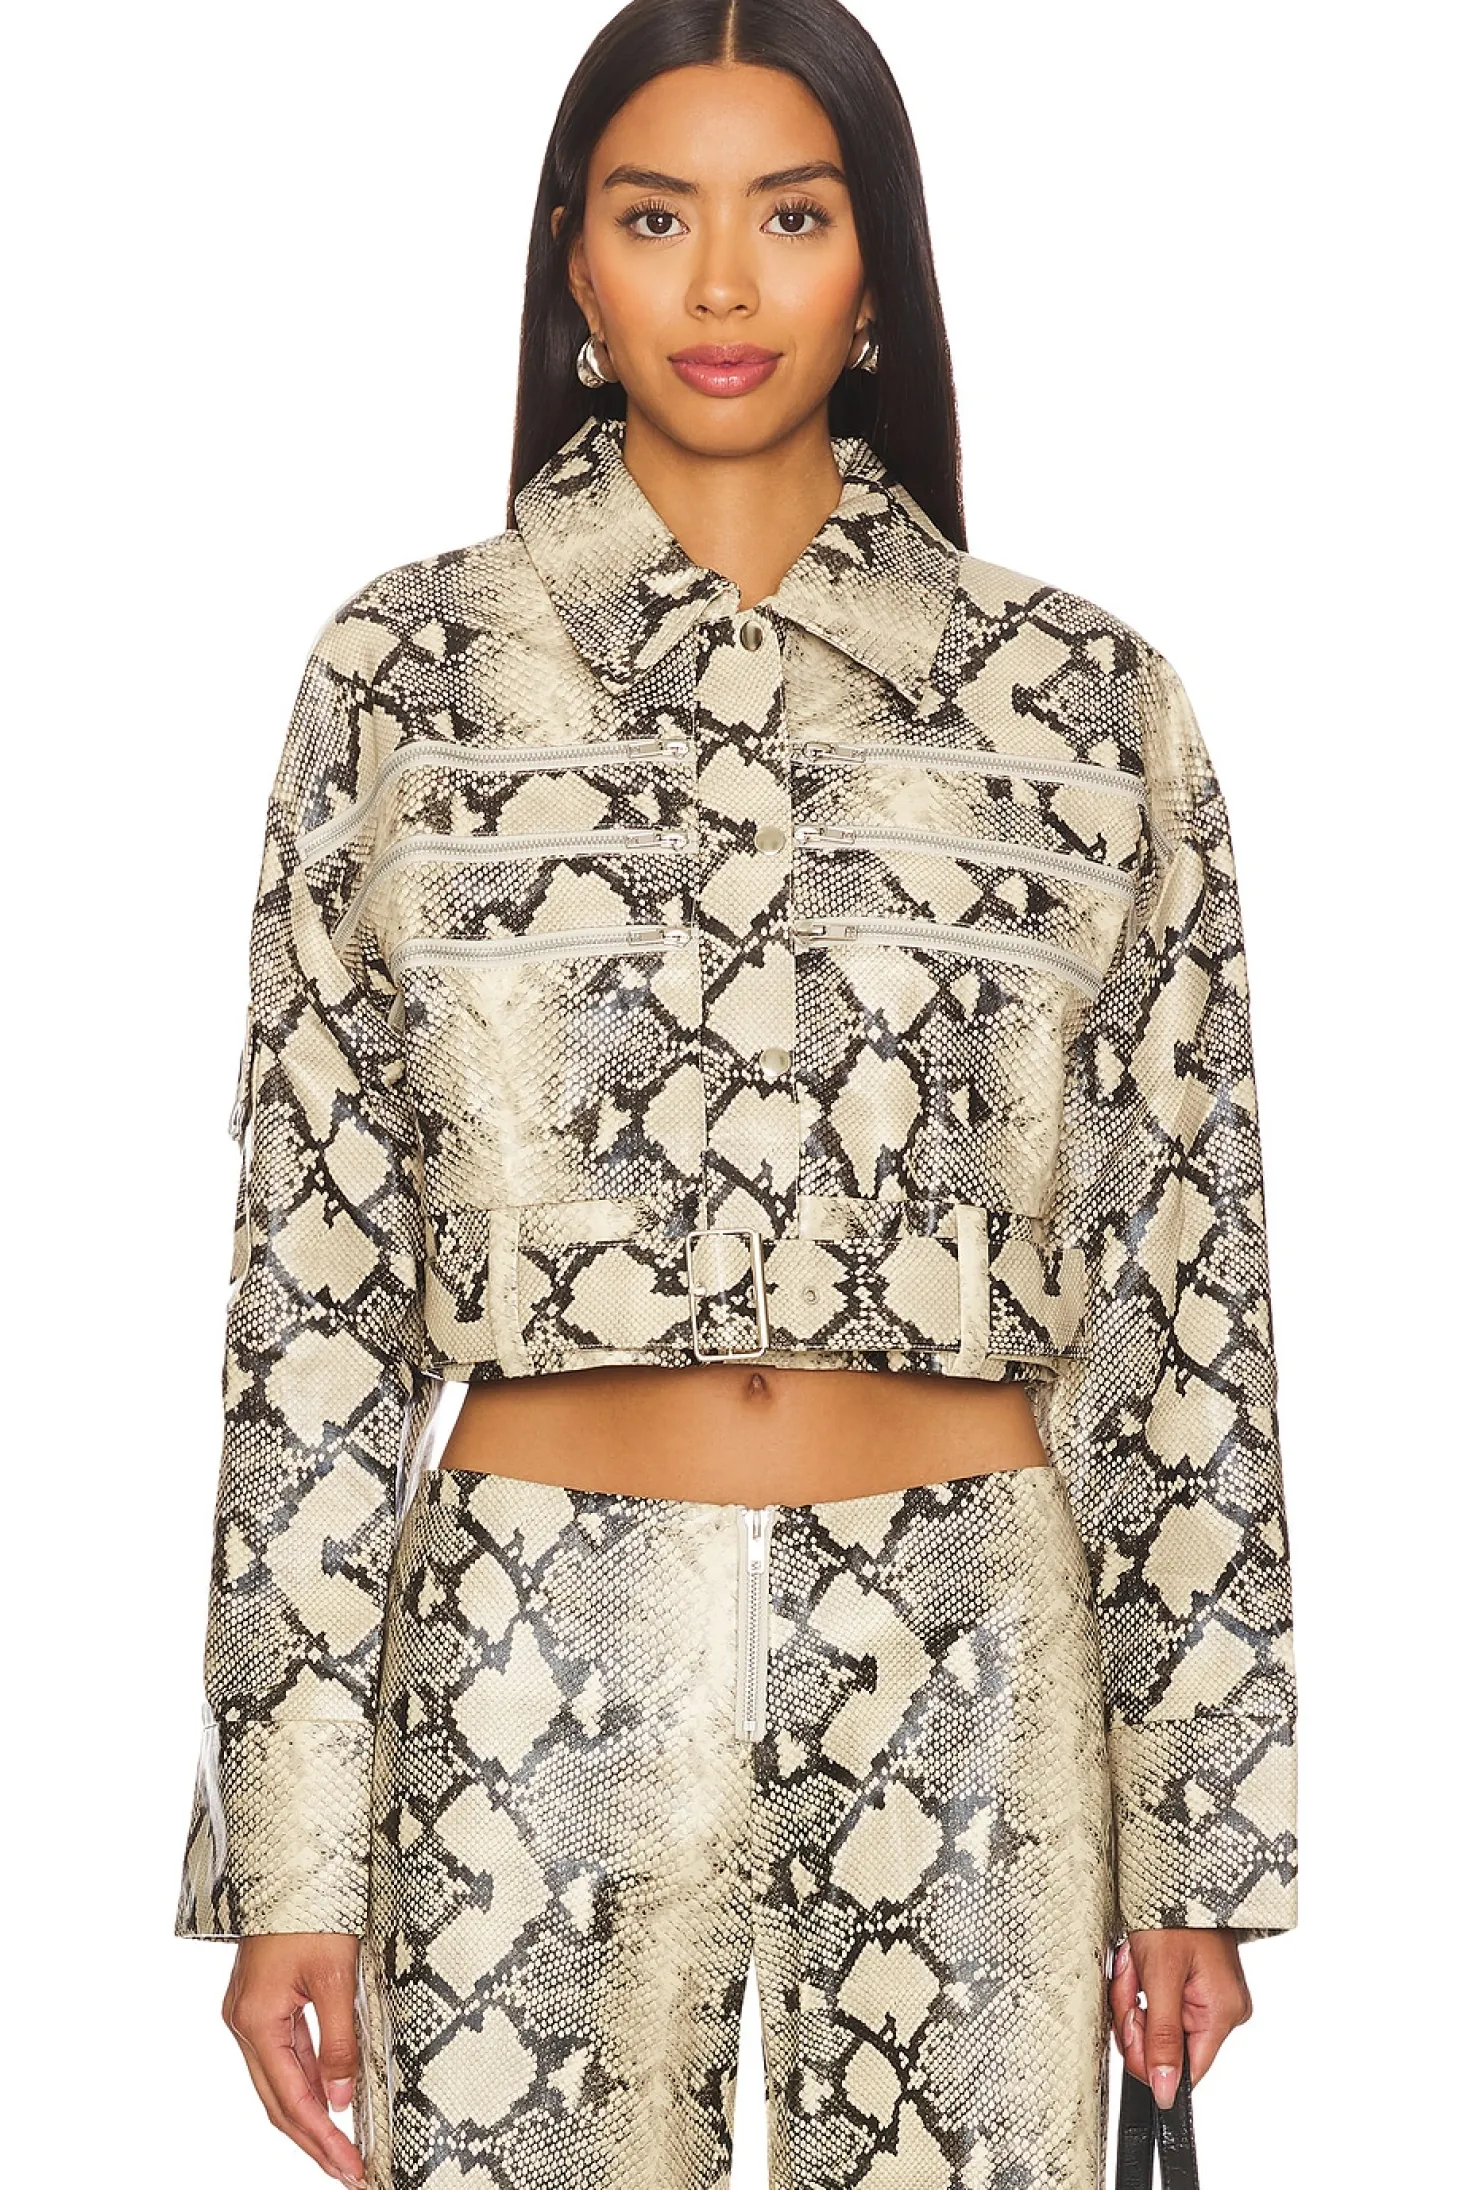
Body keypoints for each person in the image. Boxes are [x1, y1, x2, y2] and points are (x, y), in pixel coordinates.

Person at [173, 5, 1299, 2187]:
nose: (718, 283)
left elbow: (1188, 1284)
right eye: (652, 216)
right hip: (526, 1656)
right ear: (573, 267)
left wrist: (1201, 1832)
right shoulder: (407, 678)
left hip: (977, 1657)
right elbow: (311, 1286)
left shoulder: (1083, 704)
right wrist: (287, 1855)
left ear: (875, 270)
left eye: (789, 216)